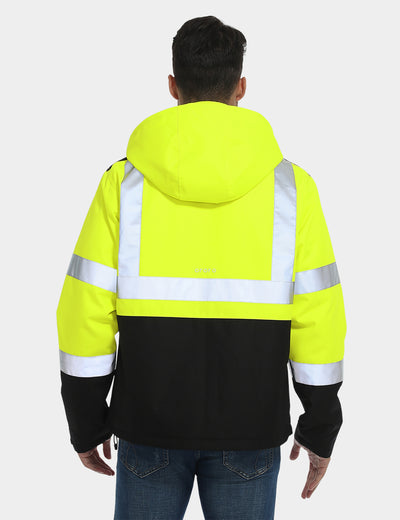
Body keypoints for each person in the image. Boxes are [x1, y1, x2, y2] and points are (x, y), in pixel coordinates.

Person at [57, 15, 346, 520]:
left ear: (173, 85)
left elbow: (84, 309)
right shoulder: (292, 188)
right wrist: (320, 424)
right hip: (250, 428)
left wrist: (85, 419)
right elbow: (318, 315)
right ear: (241, 87)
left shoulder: (123, 185)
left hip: (148, 425)